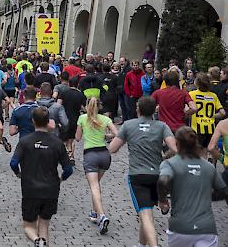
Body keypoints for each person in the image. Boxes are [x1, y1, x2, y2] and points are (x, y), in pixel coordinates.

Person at [108, 96, 177, 247]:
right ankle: (142, 244)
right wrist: (165, 156)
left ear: (137, 109)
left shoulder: (128, 125)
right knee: (147, 211)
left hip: (137, 176)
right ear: (154, 110)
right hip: (158, 176)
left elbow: (112, 149)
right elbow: (175, 148)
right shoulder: (162, 126)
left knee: (145, 215)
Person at [10, 106, 72, 247]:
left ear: (33, 121)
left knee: (28, 227)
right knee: (44, 226)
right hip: (51, 190)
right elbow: (68, 169)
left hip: (30, 189)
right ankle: (42, 241)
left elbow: (13, 163)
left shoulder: (25, 141)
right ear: (48, 121)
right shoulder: (57, 143)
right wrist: (61, 179)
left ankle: (37, 241)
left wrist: (18, 174)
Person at [159, 126, 227, 247]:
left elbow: (163, 181)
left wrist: (163, 200)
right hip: (206, 228)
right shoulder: (208, 166)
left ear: (177, 143)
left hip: (179, 228)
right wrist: (207, 195)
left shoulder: (170, 163)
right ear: (195, 143)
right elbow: (223, 191)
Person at [75, 97, 118, 235]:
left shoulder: (82, 118)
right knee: (97, 185)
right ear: (99, 106)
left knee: (94, 187)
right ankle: (94, 212)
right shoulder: (105, 119)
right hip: (104, 155)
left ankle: (102, 215)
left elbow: (77, 138)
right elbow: (118, 134)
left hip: (90, 155)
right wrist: (106, 135)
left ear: (87, 106)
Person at [189, 73, 225, 148]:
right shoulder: (213, 95)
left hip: (196, 128)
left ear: (197, 83)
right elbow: (222, 113)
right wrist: (212, 115)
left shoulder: (192, 94)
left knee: (197, 151)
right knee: (208, 150)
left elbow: (187, 109)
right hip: (210, 128)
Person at [57, 76, 86, 163]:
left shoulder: (63, 92)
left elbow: (58, 105)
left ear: (69, 83)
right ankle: (71, 156)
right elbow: (85, 109)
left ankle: (63, 156)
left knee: (63, 138)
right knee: (71, 139)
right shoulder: (80, 94)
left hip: (64, 118)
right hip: (75, 118)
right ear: (77, 84)